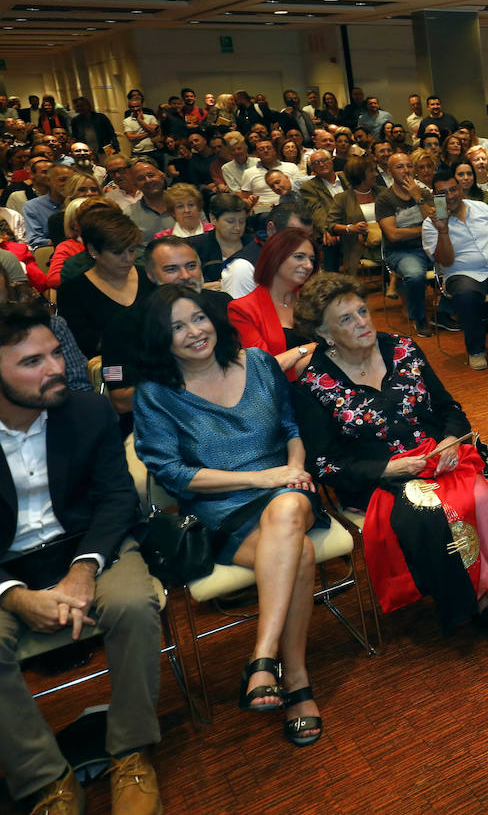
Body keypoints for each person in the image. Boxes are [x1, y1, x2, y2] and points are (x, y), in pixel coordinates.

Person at [292, 273, 488, 640]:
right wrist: (387, 468)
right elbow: (322, 463)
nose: (363, 322)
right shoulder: (313, 385)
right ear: (323, 334)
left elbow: (450, 407)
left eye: (363, 311)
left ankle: (482, 596)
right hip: (379, 481)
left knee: (483, 496)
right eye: (346, 319)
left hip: (439, 461)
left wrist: (449, 441)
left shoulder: (402, 348)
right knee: (434, 513)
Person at [134, 285, 328, 747]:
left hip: (289, 490)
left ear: (214, 320)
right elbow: (173, 474)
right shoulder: (156, 395)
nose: (193, 333)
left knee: (286, 508)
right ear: (161, 340)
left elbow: (291, 428)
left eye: (198, 319)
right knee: (296, 553)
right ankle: (295, 678)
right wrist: (262, 479)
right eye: (176, 327)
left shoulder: (259, 362)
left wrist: (294, 468)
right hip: (221, 512)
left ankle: (263, 660)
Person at [0, 300, 164, 815]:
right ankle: (46, 781)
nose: (55, 370)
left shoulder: (86, 408)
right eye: (32, 362)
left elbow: (117, 497)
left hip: (88, 544)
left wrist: (83, 569)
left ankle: (131, 752)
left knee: (135, 605)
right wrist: (15, 597)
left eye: (53, 354)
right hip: (8, 567)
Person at [103, 236, 233, 419]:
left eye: (191, 266)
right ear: (151, 275)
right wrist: (193, 382)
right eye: (171, 269)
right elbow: (121, 401)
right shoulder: (124, 325)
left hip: (228, 407)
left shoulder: (222, 304)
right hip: (161, 420)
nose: (185, 276)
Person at [422, 170, 488, 368]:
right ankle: (476, 350)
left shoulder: (482, 208)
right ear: (435, 196)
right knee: (466, 294)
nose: (450, 196)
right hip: (462, 274)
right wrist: (443, 229)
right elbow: (445, 261)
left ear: (460, 188)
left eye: (453, 189)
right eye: (443, 193)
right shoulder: (430, 225)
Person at [227, 227, 320, 380]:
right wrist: (307, 349)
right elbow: (263, 368)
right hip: (284, 393)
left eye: (311, 260)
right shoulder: (243, 309)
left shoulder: (313, 297)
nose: (308, 265)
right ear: (276, 257)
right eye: (299, 257)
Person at [56, 210, 152, 358]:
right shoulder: (72, 292)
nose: (128, 258)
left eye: (132, 250)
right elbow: (83, 343)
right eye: (117, 253)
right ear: (93, 250)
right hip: (109, 370)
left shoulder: (149, 276)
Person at [376, 152, 436, 337]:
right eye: (400, 167)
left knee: (461, 262)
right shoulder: (384, 200)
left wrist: (417, 198)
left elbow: (440, 221)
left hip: (432, 246)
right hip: (402, 251)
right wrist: (424, 229)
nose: (406, 171)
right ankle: (420, 318)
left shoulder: (424, 193)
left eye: (409, 166)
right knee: (415, 275)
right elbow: (393, 235)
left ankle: (446, 311)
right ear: (389, 171)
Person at [192, 193, 249, 284]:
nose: (238, 227)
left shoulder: (255, 244)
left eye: (242, 222)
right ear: (213, 218)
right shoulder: (195, 247)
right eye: (230, 221)